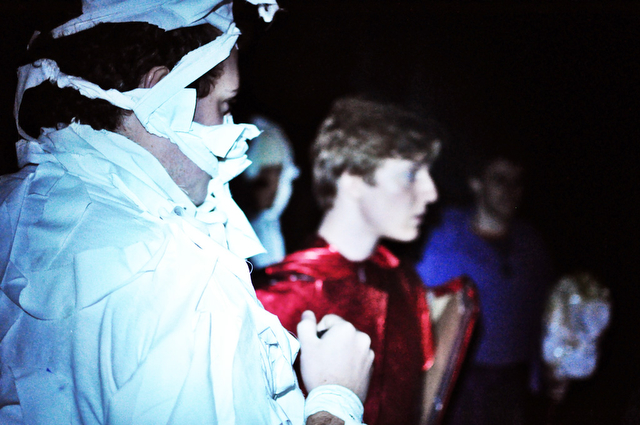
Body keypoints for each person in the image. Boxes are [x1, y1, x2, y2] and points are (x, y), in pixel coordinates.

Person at [0, 1, 374, 424]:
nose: (236, 136)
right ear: (164, 97)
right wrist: (336, 400)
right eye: (227, 106)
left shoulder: (14, 205)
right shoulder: (182, 279)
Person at [256, 96, 443, 425]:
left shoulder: (405, 283)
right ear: (353, 178)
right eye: (411, 175)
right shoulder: (276, 299)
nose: (431, 192)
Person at [415, 152, 553, 424]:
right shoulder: (443, 241)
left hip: (513, 380)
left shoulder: (531, 245)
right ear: (476, 182)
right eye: (500, 179)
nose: (510, 190)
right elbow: (420, 312)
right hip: (460, 378)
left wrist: (545, 375)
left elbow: (542, 317)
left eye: (517, 181)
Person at [238, 115, 300, 269]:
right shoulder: (237, 236)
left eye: (278, 176)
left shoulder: (289, 229)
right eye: (262, 183)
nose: (272, 189)